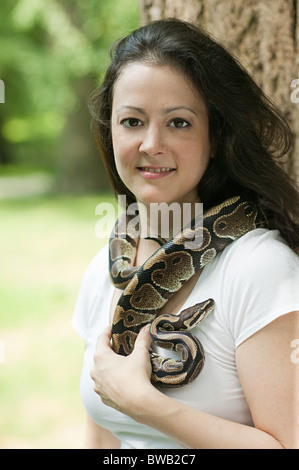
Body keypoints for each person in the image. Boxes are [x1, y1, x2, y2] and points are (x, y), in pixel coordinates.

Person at [72, 18, 299, 449]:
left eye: (178, 122)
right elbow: (104, 438)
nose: (151, 144)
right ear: (110, 132)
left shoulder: (259, 268)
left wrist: (146, 405)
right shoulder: (102, 275)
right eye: (132, 121)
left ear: (214, 137)